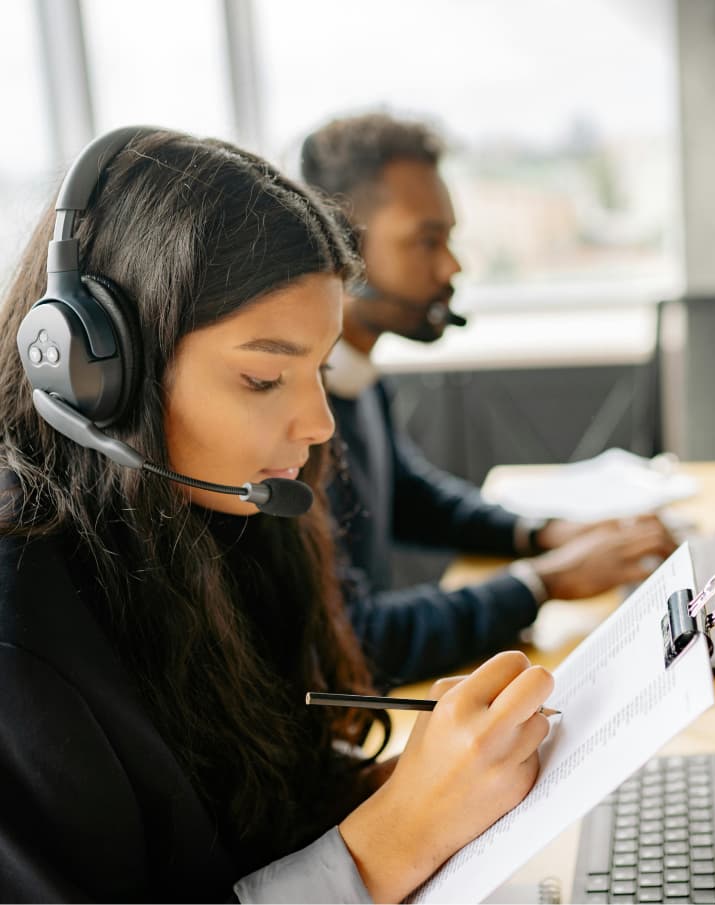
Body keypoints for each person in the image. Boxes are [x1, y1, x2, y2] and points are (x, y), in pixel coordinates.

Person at [0, 126, 556, 903]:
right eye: (264, 377)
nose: (319, 422)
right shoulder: (17, 635)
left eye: (318, 366)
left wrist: (421, 783)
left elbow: (242, 828)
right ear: (98, 375)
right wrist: (391, 839)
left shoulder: (217, 520)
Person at [299, 112, 676, 688]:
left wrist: (543, 534)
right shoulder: (297, 422)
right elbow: (356, 638)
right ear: (343, 247)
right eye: (427, 241)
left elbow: (410, 497)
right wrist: (542, 582)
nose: (452, 266)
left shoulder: (355, 374)